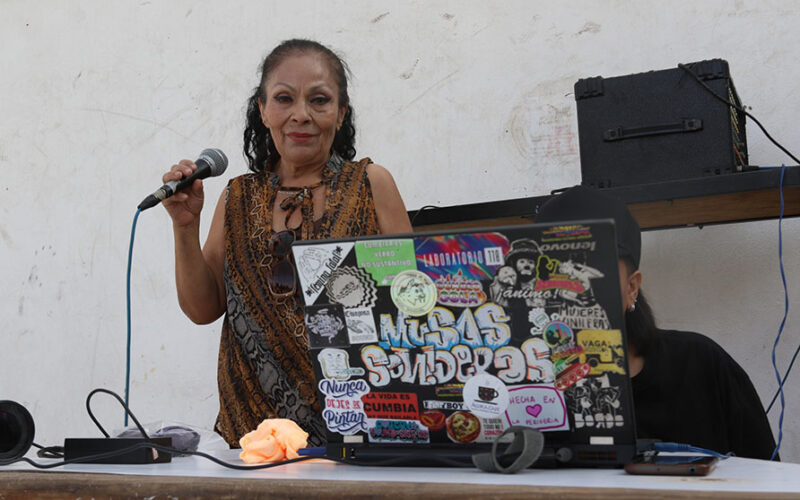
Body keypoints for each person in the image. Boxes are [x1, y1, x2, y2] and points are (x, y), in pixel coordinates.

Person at [161, 39, 412, 447]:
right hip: (256, 438)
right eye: (283, 99)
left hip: (361, 430)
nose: (301, 115)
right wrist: (184, 227)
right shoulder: (236, 197)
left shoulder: (371, 184)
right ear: (262, 110)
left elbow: (414, 301)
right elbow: (203, 308)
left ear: (340, 113)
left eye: (319, 100)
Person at [535, 185, 777, 460]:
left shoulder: (701, 363)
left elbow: (769, 474)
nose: (573, 290)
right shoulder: (528, 379)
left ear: (632, 287)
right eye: (554, 271)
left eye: (592, 271)